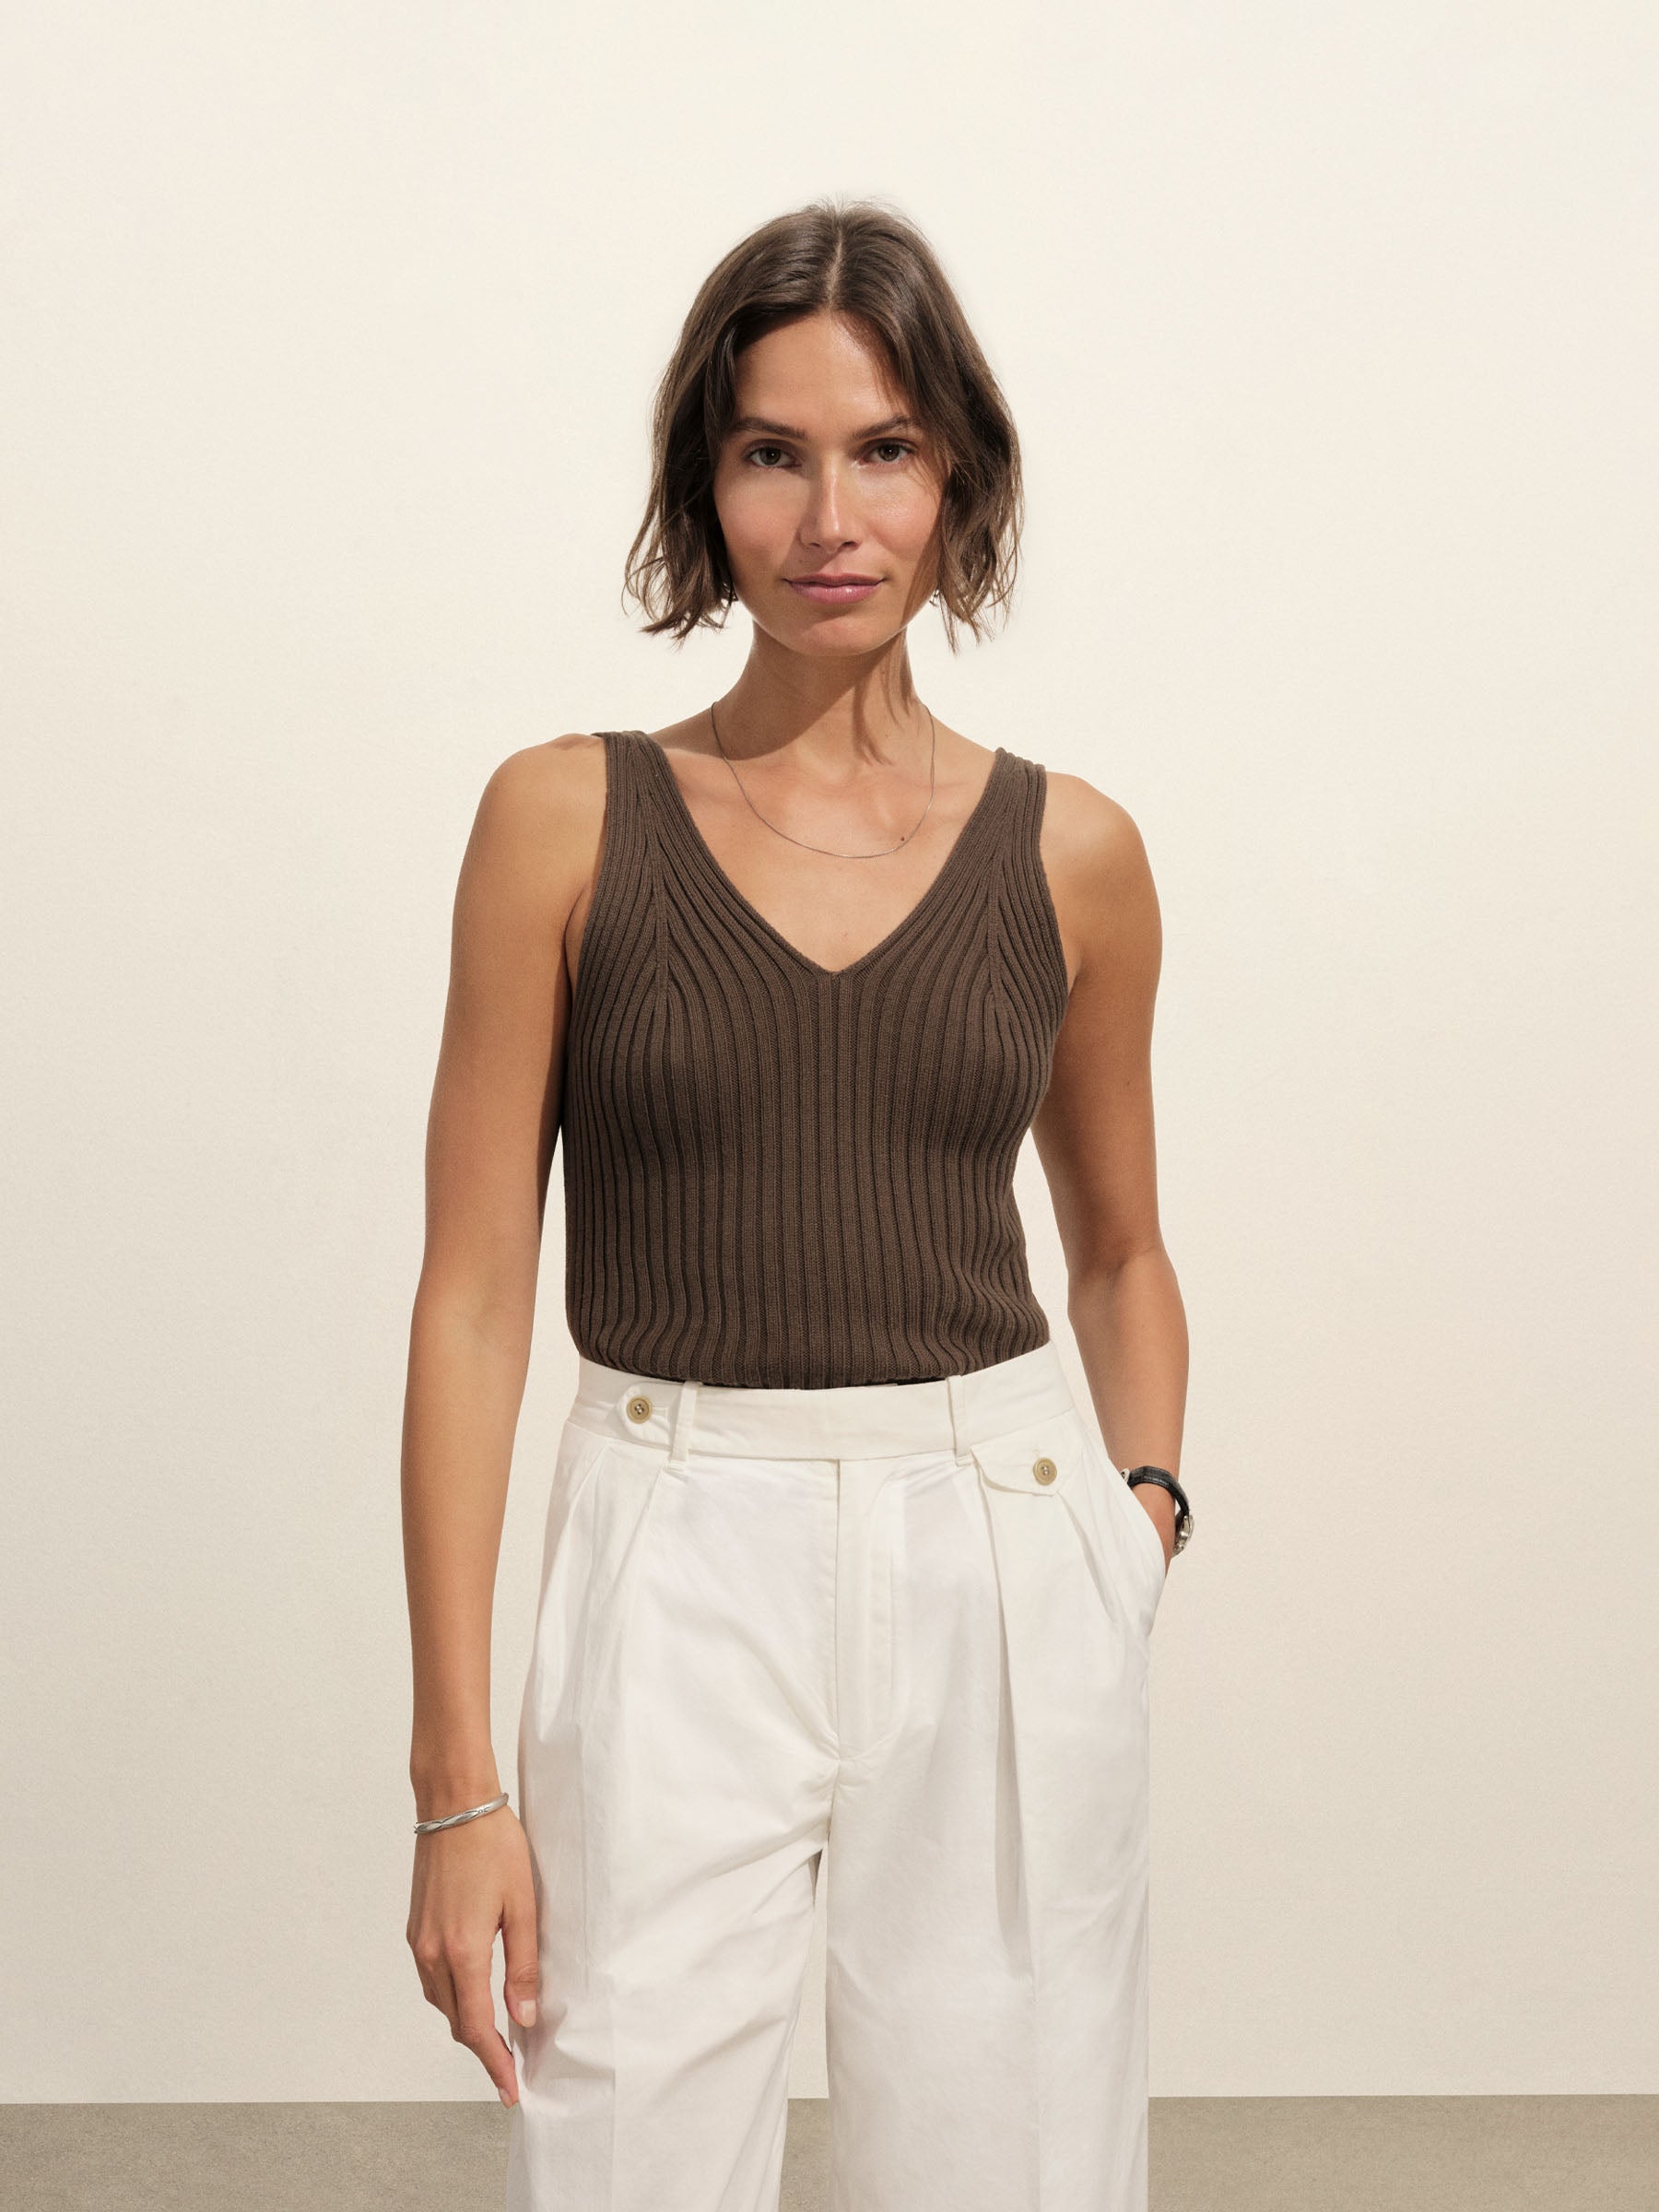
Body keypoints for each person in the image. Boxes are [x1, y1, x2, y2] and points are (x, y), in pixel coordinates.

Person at [401, 195, 1193, 2212]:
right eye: (773, 452)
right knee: (628, 2159)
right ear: (705, 482)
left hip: (1004, 1545)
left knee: (1017, 2169)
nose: (831, 517)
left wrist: (1140, 1523)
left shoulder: (1075, 853)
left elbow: (1119, 1249)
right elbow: (474, 1301)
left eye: (886, 449)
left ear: (959, 480)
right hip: (674, 1548)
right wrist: (455, 1782)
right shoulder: (564, 820)